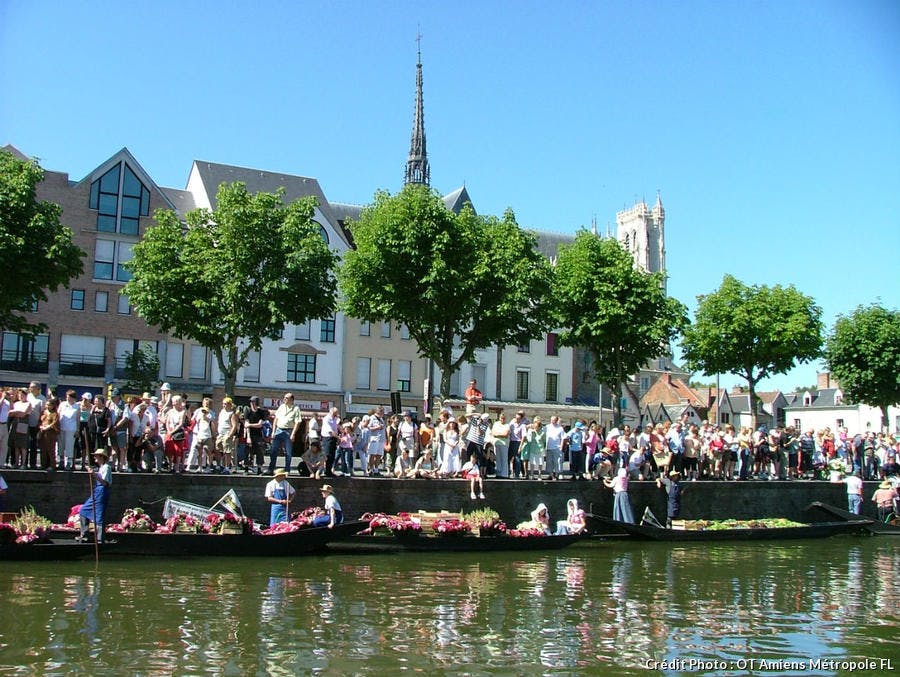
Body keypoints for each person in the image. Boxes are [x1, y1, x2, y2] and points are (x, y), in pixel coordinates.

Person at [78, 449, 112, 543]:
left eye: (96, 456)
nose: (94, 457)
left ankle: (100, 539)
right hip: (97, 491)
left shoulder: (106, 467)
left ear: (101, 457)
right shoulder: (101, 468)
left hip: (102, 492)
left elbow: (104, 482)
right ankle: (84, 535)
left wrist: (93, 474)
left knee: (99, 515)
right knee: (83, 510)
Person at [269, 393, 301, 474]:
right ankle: (271, 468)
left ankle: (287, 469)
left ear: (291, 400)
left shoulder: (296, 409)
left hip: (288, 431)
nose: (284, 399)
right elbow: (276, 419)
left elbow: (297, 422)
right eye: (284, 398)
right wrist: (273, 431)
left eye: (286, 398)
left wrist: (293, 434)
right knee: (274, 450)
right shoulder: (281, 407)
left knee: (288, 452)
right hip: (279, 430)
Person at [38, 397, 60, 471]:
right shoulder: (43, 412)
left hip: (51, 434)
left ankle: (52, 465)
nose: (48, 406)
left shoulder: (55, 414)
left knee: (50, 450)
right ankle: (43, 464)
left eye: (49, 405)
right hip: (43, 433)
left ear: (53, 406)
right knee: (43, 449)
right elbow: (39, 421)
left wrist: (49, 427)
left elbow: (55, 423)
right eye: (47, 405)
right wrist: (41, 426)